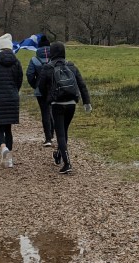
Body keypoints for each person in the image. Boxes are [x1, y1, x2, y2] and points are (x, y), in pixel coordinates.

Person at [38, 41, 91, 175]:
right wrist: (86, 102)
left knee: (60, 134)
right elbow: (82, 85)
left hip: (57, 105)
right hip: (71, 104)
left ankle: (67, 163)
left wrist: (48, 98)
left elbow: (40, 86)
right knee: (64, 131)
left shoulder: (48, 67)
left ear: (52, 52)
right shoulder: (71, 66)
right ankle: (59, 155)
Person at [0, 33, 23, 168]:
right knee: (9, 129)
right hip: (12, 97)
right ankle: (9, 159)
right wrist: (14, 91)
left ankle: (3, 148)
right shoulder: (16, 62)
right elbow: (20, 80)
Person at [25, 34, 54, 146]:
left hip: (41, 91)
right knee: (53, 110)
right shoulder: (54, 58)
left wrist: (36, 85)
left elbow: (29, 75)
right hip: (55, 89)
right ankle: (53, 133)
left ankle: (48, 139)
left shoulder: (34, 59)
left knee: (45, 112)